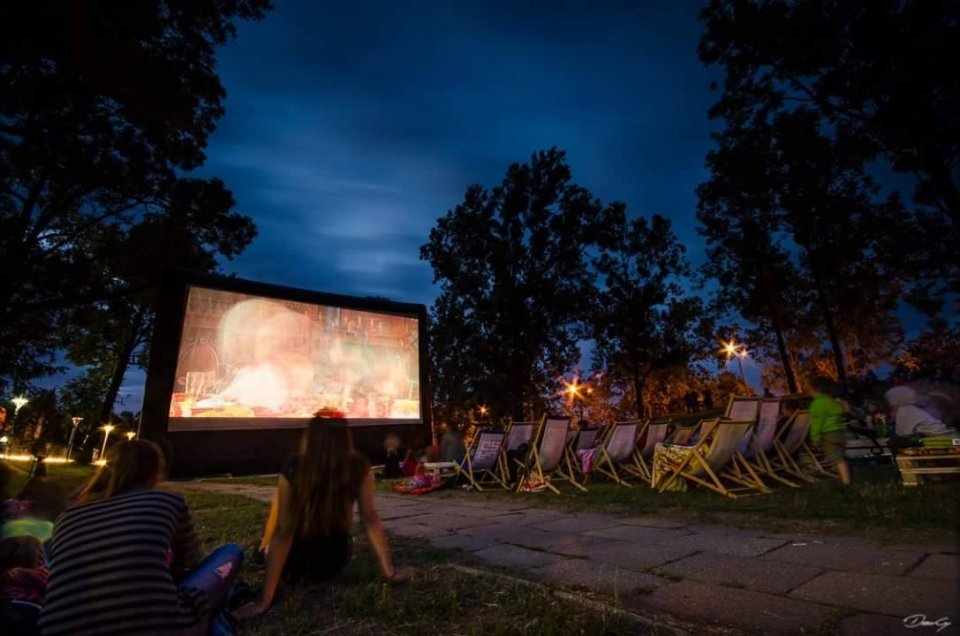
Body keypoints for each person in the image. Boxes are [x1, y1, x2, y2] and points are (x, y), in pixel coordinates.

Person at [38, 440, 243, 636]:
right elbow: (189, 562)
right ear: (155, 472)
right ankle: (218, 624)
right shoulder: (167, 501)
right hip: (160, 627)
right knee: (231, 552)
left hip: (58, 628)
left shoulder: (68, 516)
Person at [239, 413, 412, 619]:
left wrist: (263, 601)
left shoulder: (294, 466)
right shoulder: (358, 466)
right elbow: (370, 519)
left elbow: (283, 534)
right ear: (345, 437)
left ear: (310, 437)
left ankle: (266, 559)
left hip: (294, 567)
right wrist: (389, 571)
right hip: (334, 561)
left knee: (268, 548)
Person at [808, 377, 851, 485]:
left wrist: (815, 437)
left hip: (828, 435)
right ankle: (842, 474)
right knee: (839, 456)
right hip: (839, 432)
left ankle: (846, 481)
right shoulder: (831, 401)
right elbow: (842, 412)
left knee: (837, 459)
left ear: (815, 390)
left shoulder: (817, 404)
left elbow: (817, 423)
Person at [885, 386, 956, 438]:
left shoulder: (905, 410)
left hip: (938, 438)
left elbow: (904, 434)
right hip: (945, 436)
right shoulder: (911, 409)